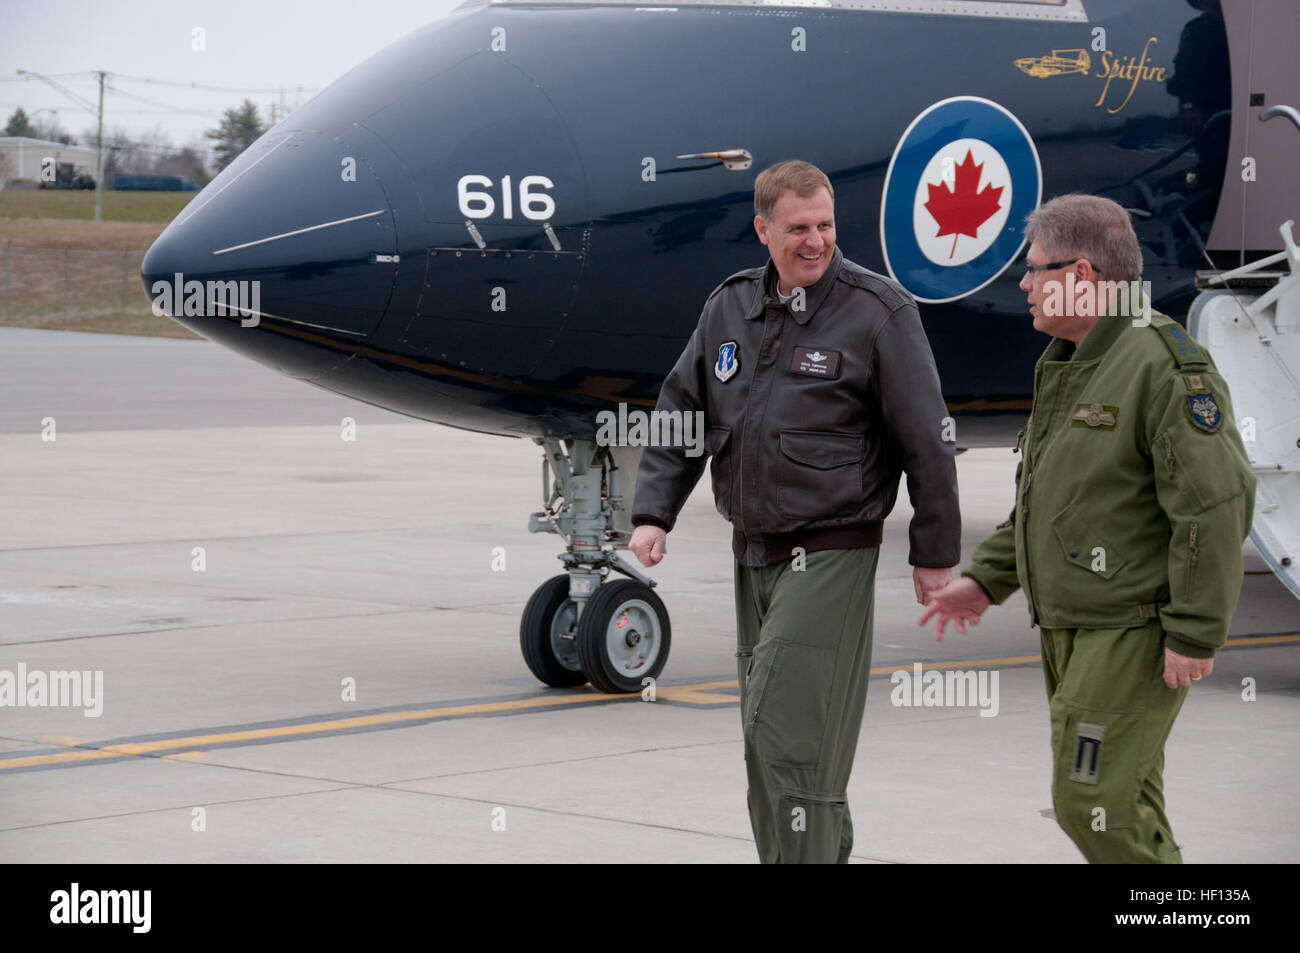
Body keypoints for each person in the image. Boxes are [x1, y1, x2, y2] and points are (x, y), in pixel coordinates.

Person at [628, 160, 960, 863]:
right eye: (799, 228)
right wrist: (654, 511)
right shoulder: (729, 306)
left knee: (789, 734)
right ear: (763, 229)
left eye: (827, 226)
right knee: (765, 745)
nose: (816, 242)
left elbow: (928, 438)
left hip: (832, 550)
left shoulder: (879, 312)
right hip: (753, 553)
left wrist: (933, 552)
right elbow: (681, 409)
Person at [920, 193, 1255, 863]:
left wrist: (1195, 628)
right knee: (1124, 801)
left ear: (1081, 275)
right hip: (1072, 626)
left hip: (1128, 628)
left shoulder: (1162, 364)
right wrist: (987, 578)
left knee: (1091, 805)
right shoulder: (1071, 362)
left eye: (1035, 267)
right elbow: (1052, 495)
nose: (1023, 282)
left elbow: (1216, 500)